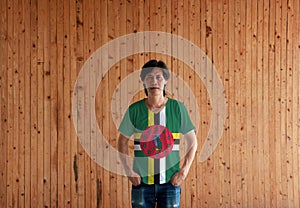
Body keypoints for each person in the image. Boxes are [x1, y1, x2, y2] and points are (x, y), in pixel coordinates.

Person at [118, 59, 198, 208]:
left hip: (170, 183)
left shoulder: (177, 108)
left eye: (158, 77)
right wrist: (129, 171)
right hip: (142, 183)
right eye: (149, 77)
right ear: (143, 81)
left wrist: (184, 171)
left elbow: (192, 141)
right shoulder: (134, 110)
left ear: (166, 80)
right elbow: (121, 141)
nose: (154, 81)